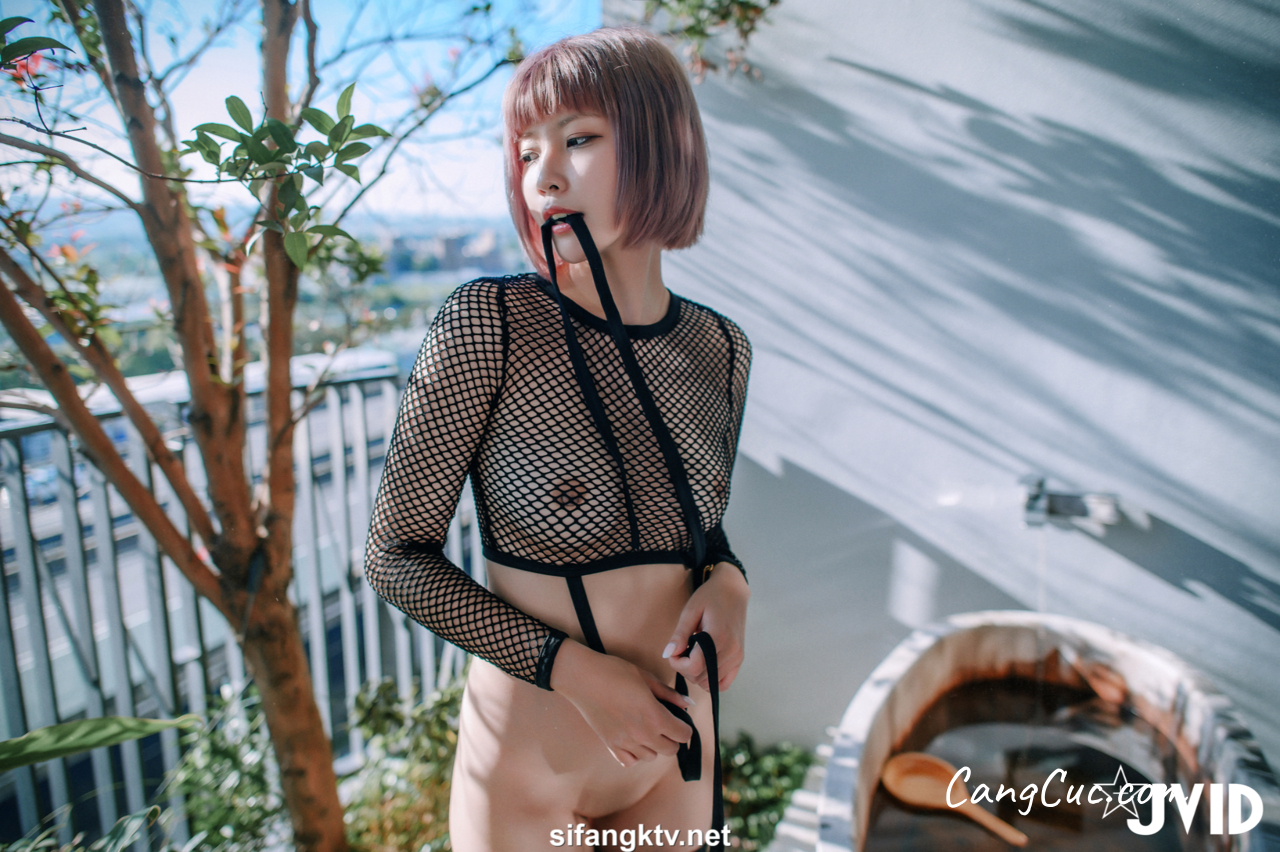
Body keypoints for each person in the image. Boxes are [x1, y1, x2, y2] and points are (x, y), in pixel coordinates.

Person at [365, 26, 752, 852]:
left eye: (578, 140)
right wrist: (580, 675)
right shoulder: (493, 324)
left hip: (678, 747)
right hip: (529, 765)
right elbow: (394, 556)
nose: (543, 176)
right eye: (526, 150)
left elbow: (694, 524)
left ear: (662, 145)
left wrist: (732, 581)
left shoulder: (719, 349)